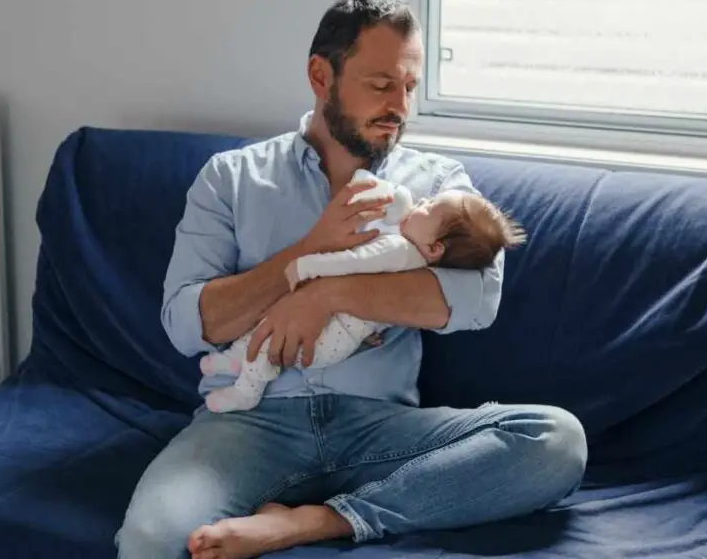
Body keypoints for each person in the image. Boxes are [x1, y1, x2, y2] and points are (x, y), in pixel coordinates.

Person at [115, 0, 587, 559]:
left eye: (410, 86)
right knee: (150, 539)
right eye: (382, 84)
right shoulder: (232, 179)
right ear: (321, 75)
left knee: (555, 441)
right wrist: (306, 254)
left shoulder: (440, 184)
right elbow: (188, 323)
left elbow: (475, 299)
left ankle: (321, 522)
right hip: (250, 424)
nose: (401, 106)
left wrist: (329, 293)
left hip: (380, 429)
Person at [200, 170, 528, 413]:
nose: (422, 202)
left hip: (336, 354)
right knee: (272, 327)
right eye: (379, 84)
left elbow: (352, 261)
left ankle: (247, 388)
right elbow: (188, 323)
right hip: (340, 342)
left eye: (428, 208)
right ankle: (233, 361)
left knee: (274, 339)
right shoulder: (416, 258)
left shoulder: (398, 250)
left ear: (434, 247)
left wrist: (308, 270)